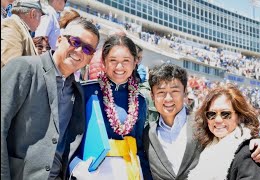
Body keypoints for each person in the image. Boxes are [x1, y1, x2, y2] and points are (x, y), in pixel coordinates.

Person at [1, 18, 100, 179]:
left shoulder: (78, 92)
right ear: (60, 40)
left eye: (88, 49)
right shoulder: (24, 68)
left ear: (90, 58)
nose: (79, 50)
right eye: (75, 42)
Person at [143, 63, 260, 180]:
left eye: (175, 91)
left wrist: (259, 142)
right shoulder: (146, 134)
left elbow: (236, 137)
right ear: (153, 97)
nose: (168, 98)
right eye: (161, 92)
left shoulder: (203, 123)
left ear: (185, 93)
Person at [70, 34, 151, 179]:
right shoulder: (86, 91)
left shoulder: (140, 100)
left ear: (135, 62)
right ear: (104, 62)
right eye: (113, 60)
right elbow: (70, 139)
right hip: (91, 172)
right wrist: (75, 167)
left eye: (126, 61)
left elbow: (139, 147)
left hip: (128, 172)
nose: (119, 67)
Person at [188, 83, 260, 180]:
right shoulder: (204, 147)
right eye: (211, 114)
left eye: (225, 114)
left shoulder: (252, 152)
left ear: (240, 116)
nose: (218, 120)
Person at [1, 0, 46, 68]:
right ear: (33, 14)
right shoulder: (13, 26)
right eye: (40, 16)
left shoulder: (18, 27)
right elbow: (10, 69)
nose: (40, 21)